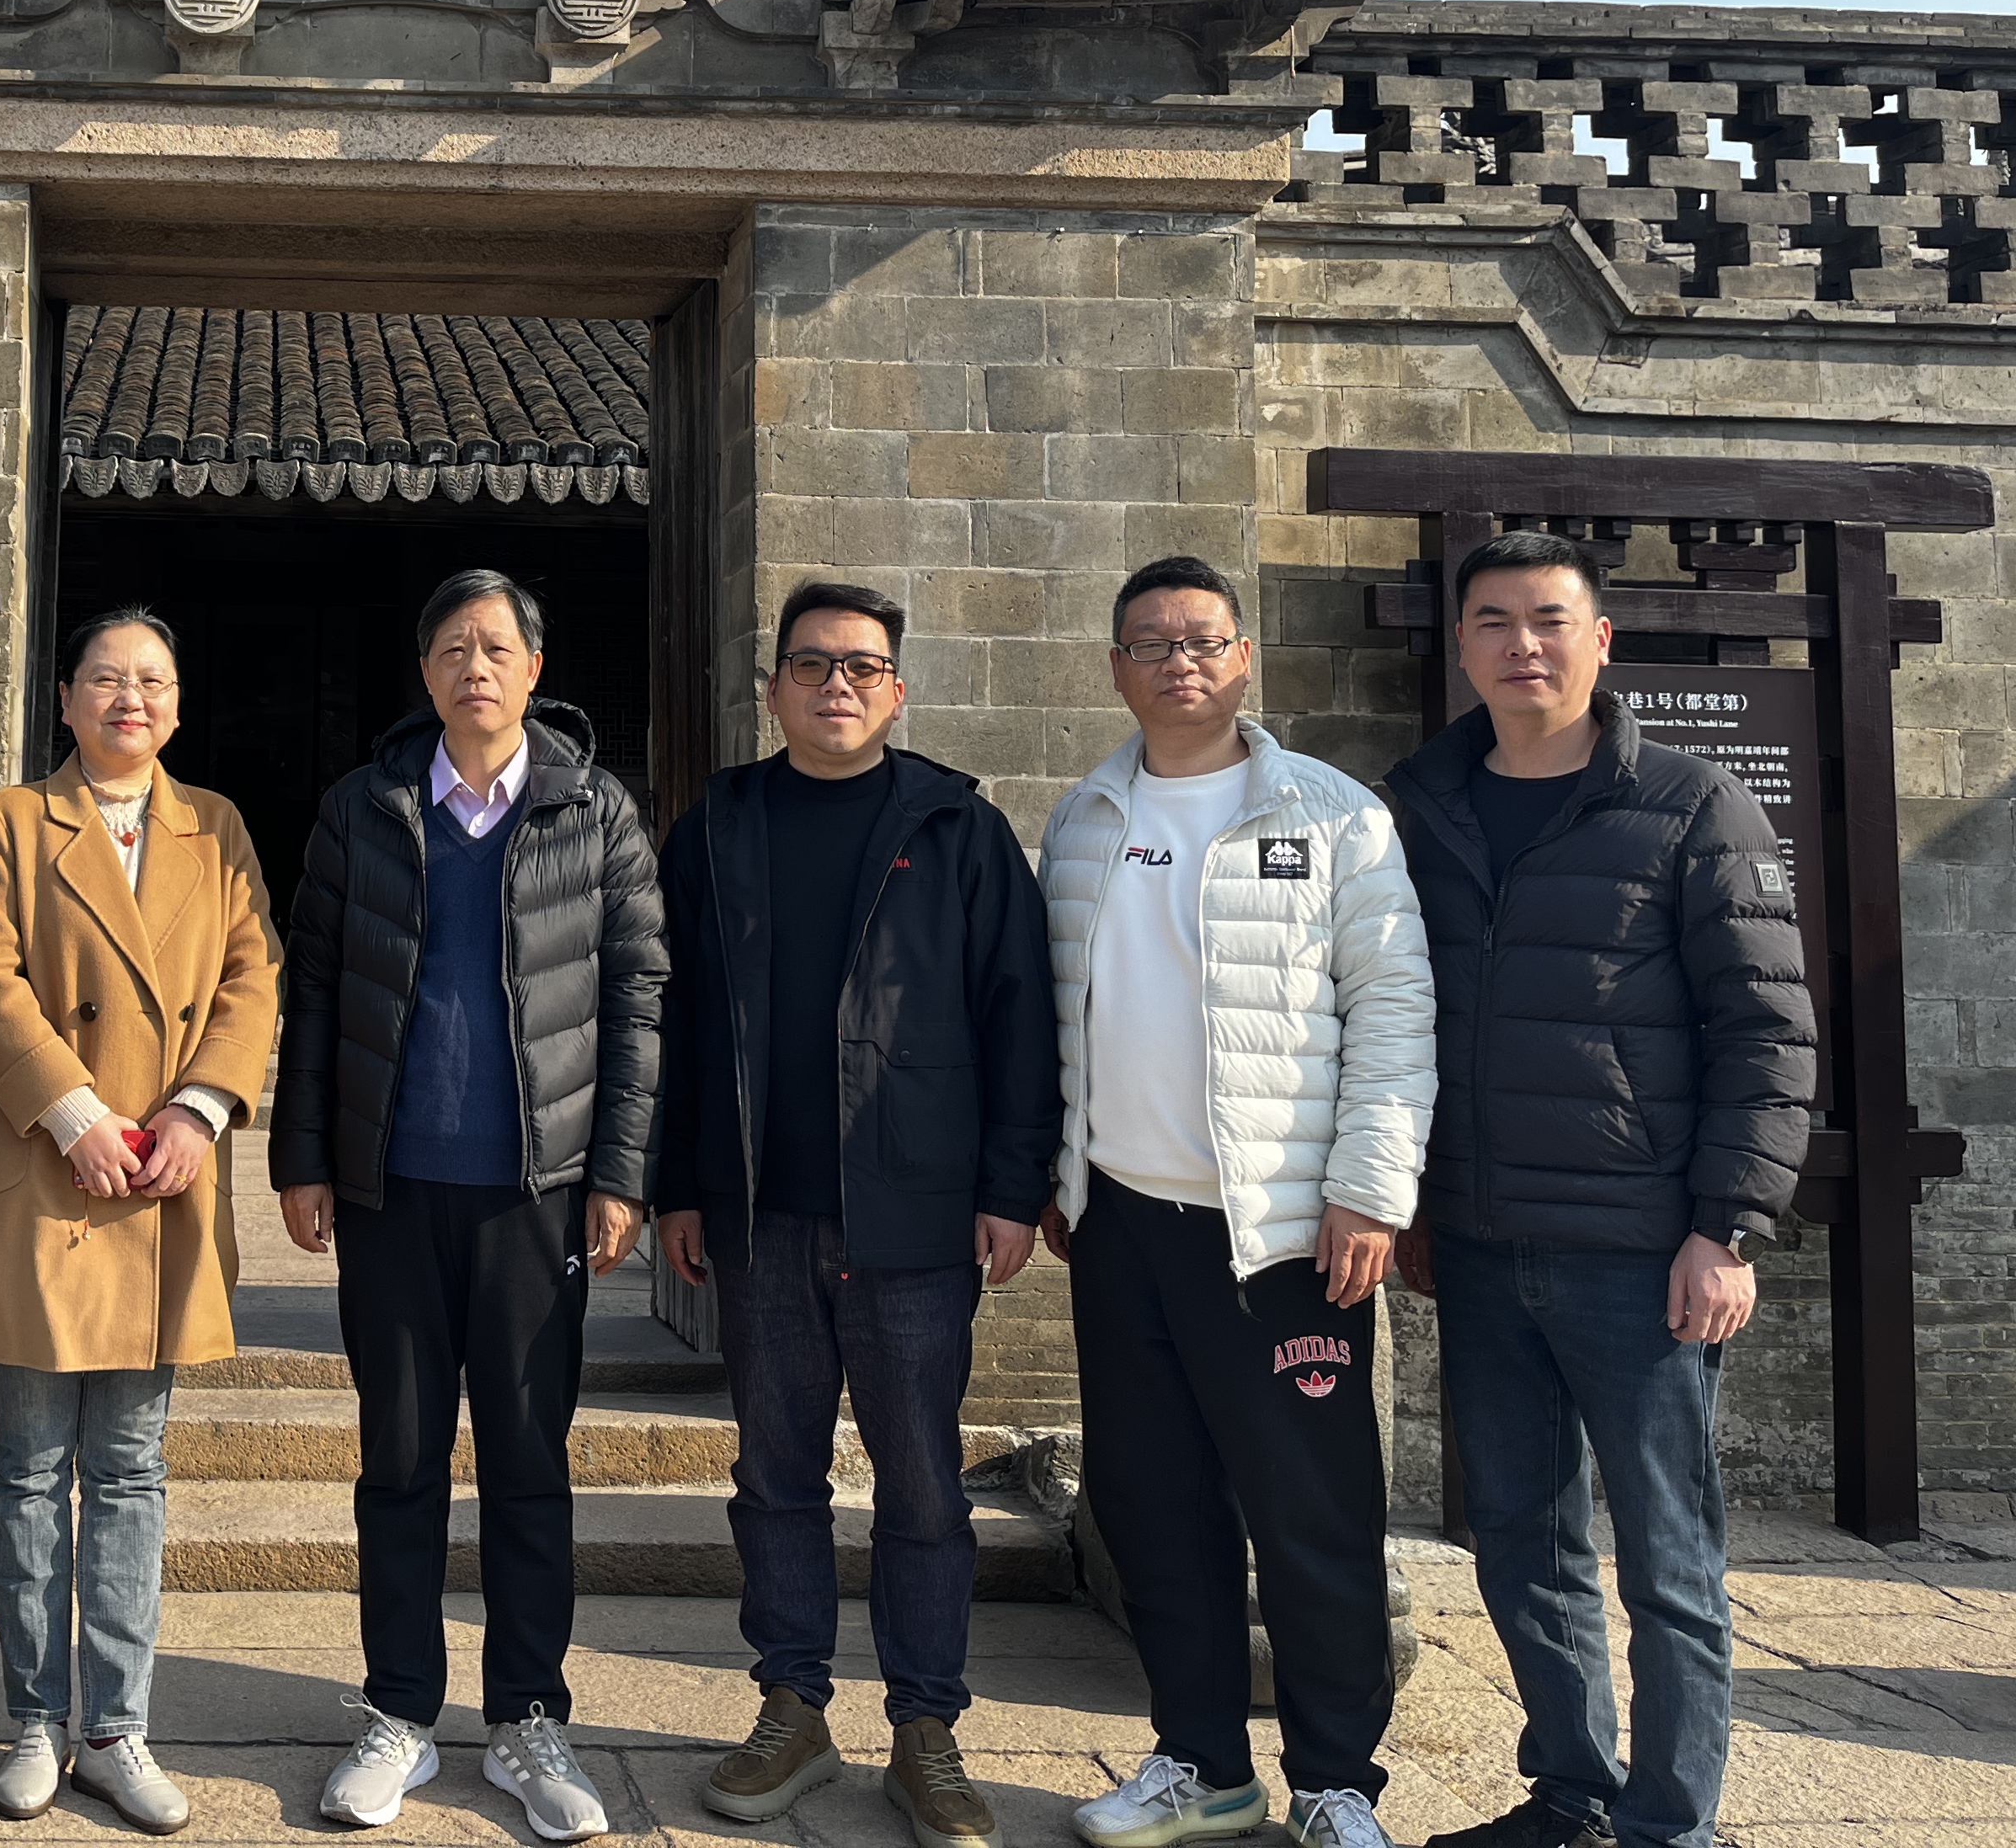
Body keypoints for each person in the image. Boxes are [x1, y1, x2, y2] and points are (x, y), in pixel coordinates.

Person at [1387, 532, 1814, 1848]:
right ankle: (1569, 1793)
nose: (1523, 644)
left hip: (1638, 1253)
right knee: (1522, 1541)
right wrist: (1410, 1200)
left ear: (1600, 640)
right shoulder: (1421, 805)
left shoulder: (1690, 805)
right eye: (1495, 621)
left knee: (1669, 1559)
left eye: (1550, 619)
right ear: (1464, 646)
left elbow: (1767, 1031)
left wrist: (1727, 1228)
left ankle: (1671, 1823)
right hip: (1480, 1242)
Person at [650, 579, 1056, 1848]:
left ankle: (926, 1726)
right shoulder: (719, 826)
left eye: (863, 667)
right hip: (761, 1214)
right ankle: (792, 1704)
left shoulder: (958, 829)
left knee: (923, 1483)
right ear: (772, 686)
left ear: (897, 691)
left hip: (916, 1217)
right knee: (775, 1473)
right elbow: (673, 1016)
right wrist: (675, 1183)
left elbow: (1019, 1014)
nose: (837, 686)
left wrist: (1012, 1188)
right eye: (813, 665)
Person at [1042, 556, 1436, 1848]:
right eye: (1151, 643)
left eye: (1203, 640)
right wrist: (1058, 1173)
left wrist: (1369, 1191)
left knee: (1313, 1515)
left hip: (1280, 1235)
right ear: (1116, 667)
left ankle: (1335, 1782)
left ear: (1243, 657)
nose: (1180, 663)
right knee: (1155, 1508)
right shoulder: (1086, 818)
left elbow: (1393, 1010)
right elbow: (1061, 1014)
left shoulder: (1331, 815)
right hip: (1122, 1225)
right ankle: (1201, 1763)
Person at [269, 569, 665, 1844]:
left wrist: (620, 1172)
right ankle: (399, 1710)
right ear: (426, 672)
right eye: (452, 648)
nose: (474, 667)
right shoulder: (365, 808)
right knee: (398, 1460)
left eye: (496, 647)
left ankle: (528, 1718)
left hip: (533, 1195)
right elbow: (313, 988)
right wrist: (304, 1156)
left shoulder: (594, 810)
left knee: (528, 1462)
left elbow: (637, 998)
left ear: (535, 670)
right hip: (392, 1189)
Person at [0, 608, 284, 1834]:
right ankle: (37, 1718)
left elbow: (253, 976)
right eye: (105, 678)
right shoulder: (14, 819)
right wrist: (76, 1113)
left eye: (151, 680)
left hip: (161, 1178)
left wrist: (199, 1109)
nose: (128, 698)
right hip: (50, 1170)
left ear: (177, 705)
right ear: (67, 700)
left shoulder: (217, 827)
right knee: (31, 1464)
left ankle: (116, 1727)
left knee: (132, 1471)